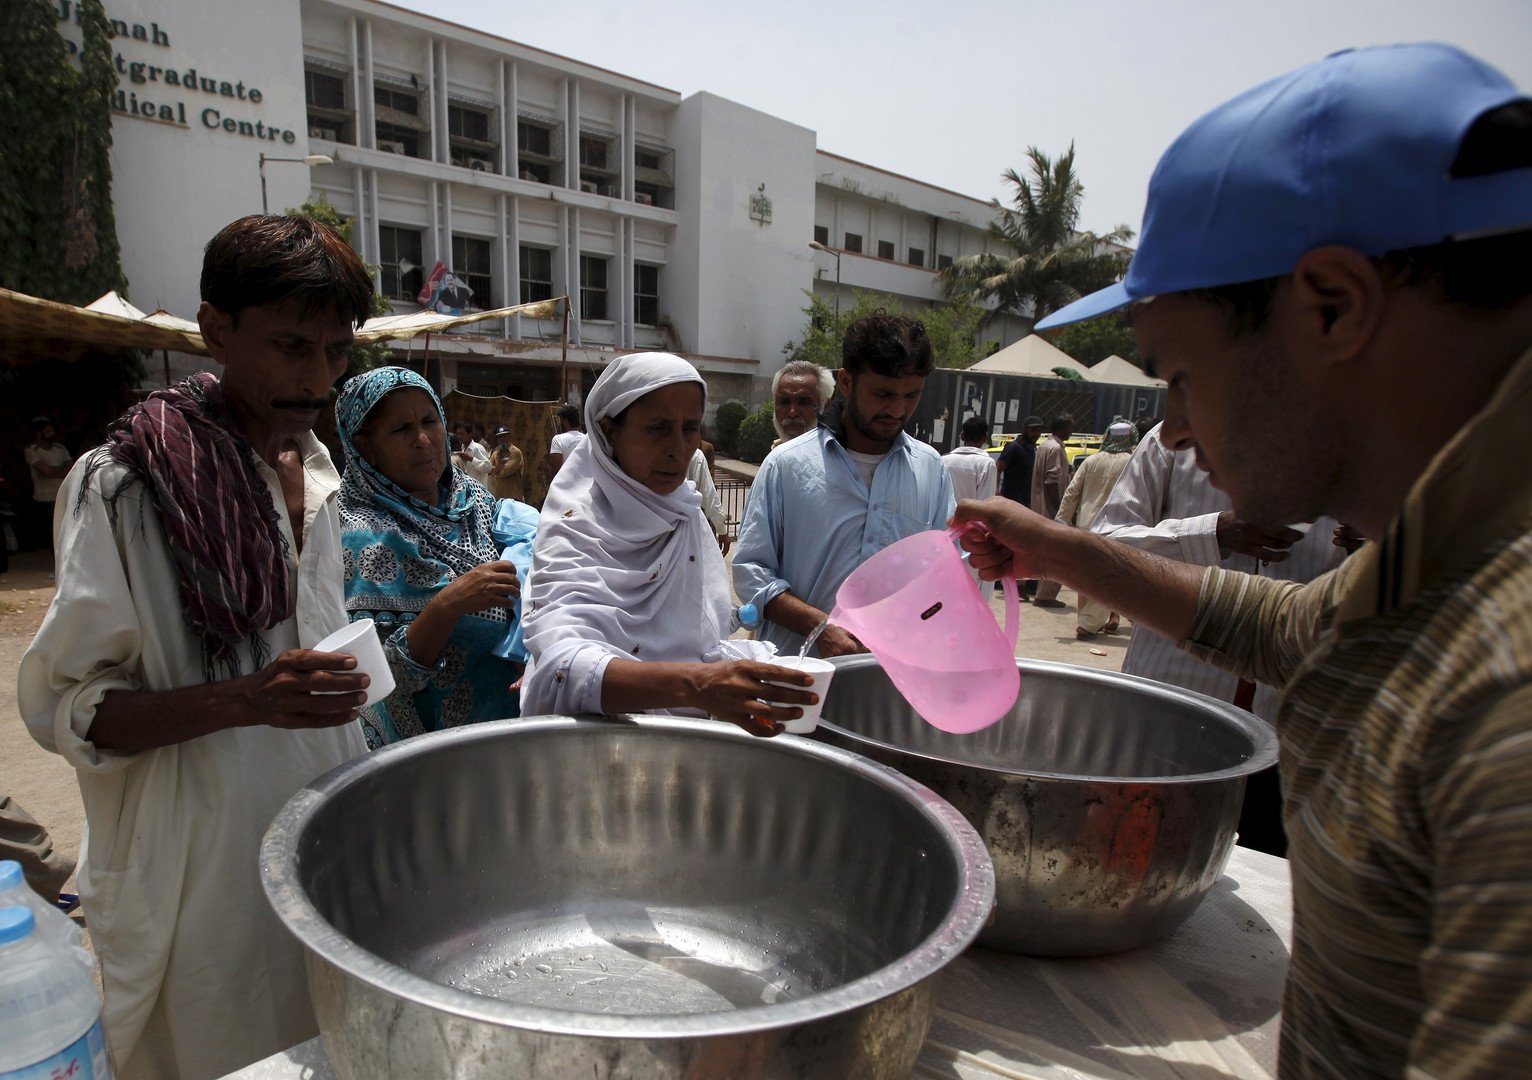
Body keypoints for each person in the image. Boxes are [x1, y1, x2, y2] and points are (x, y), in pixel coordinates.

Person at [953, 44, 1532, 1077]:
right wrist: (1057, 549)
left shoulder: (1505, 690)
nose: (1173, 429)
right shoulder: (1442, 564)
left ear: (1331, 306)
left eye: (1180, 375)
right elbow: (1283, 624)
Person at [17, 214, 375, 1078]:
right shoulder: (124, 486)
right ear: (216, 329)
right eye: (291, 346)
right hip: (197, 878)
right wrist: (244, 699)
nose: (316, 377)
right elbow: (70, 712)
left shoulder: (317, 471)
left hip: (320, 842)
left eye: (335, 352)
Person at [522, 353, 814, 732]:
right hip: (599, 745)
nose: (679, 449)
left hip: (688, 739)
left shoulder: (685, 512)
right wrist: (697, 685)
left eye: (690, 427)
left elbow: (697, 633)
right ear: (609, 431)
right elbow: (560, 668)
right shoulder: (575, 525)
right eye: (658, 428)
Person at [733, 312, 956, 656]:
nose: (897, 409)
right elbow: (751, 572)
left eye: (912, 395)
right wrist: (818, 627)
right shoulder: (786, 466)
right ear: (847, 382)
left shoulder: (931, 469)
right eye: (883, 393)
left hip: (890, 675)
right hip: (800, 674)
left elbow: (944, 575)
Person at [336, 367, 523, 748]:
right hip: (434, 753)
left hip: (513, 732)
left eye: (429, 421)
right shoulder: (361, 534)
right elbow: (377, 681)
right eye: (401, 429)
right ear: (365, 447)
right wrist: (448, 604)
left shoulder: (474, 500)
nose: (422, 440)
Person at [1055, 420, 1136, 638]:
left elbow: (1072, 491)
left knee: (1085, 575)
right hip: (1115, 528)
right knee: (1107, 578)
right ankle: (1088, 624)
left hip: (1087, 525)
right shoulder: (1132, 462)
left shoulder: (1091, 460)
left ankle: (1088, 620)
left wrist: (1061, 520)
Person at [1029, 415, 1072, 607]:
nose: (1070, 432)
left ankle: (1039, 591)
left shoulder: (1045, 445)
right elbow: (1051, 482)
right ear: (1062, 428)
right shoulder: (1055, 448)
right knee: (1056, 554)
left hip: (1039, 507)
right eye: (1069, 428)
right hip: (1049, 510)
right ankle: (1045, 596)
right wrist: (1059, 512)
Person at [24, 416, 71, 569]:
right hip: (45, 498)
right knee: (53, 534)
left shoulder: (60, 448)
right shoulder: (31, 450)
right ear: (39, 433)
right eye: (48, 431)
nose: (52, 434)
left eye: (52, 430)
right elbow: (46, 472)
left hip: (63, 495)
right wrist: (61, 470)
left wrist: (54, 470)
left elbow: (71, 468)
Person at [771, 359, 834, 446]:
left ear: (826, 406)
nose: (792, 413)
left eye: (803, 402)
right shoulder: (775, 453)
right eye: (784, 402)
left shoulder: (840, 452)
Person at [941, 415, 998, 502]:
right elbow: (985, 503)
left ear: (962, 436)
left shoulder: (943, 460)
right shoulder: (987, 464)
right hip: (971, 511)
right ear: (985, 439)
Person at [686, 446, 731, 554]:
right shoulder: (695, 454)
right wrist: (722, 530)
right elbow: (708, 495)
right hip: (687, 531)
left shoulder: (647, 450)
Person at [546, 403, 584, 484]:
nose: (560, 423)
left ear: (565, 421)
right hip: (585, 484)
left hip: (566, 485)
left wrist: (551, 484)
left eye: (561, 420)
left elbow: (556, 468)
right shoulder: (587, 439)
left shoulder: (558, 439)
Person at [486, 425, 526, 501]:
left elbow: (505, 472)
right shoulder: (496, 453)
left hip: (513, 497)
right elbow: (489, 470)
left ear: (510, 437)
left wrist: (496, 470)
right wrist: (500, 466)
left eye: (504, 436)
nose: (502, 440)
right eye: (499, 437)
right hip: (499, 496)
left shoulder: (515, 452)